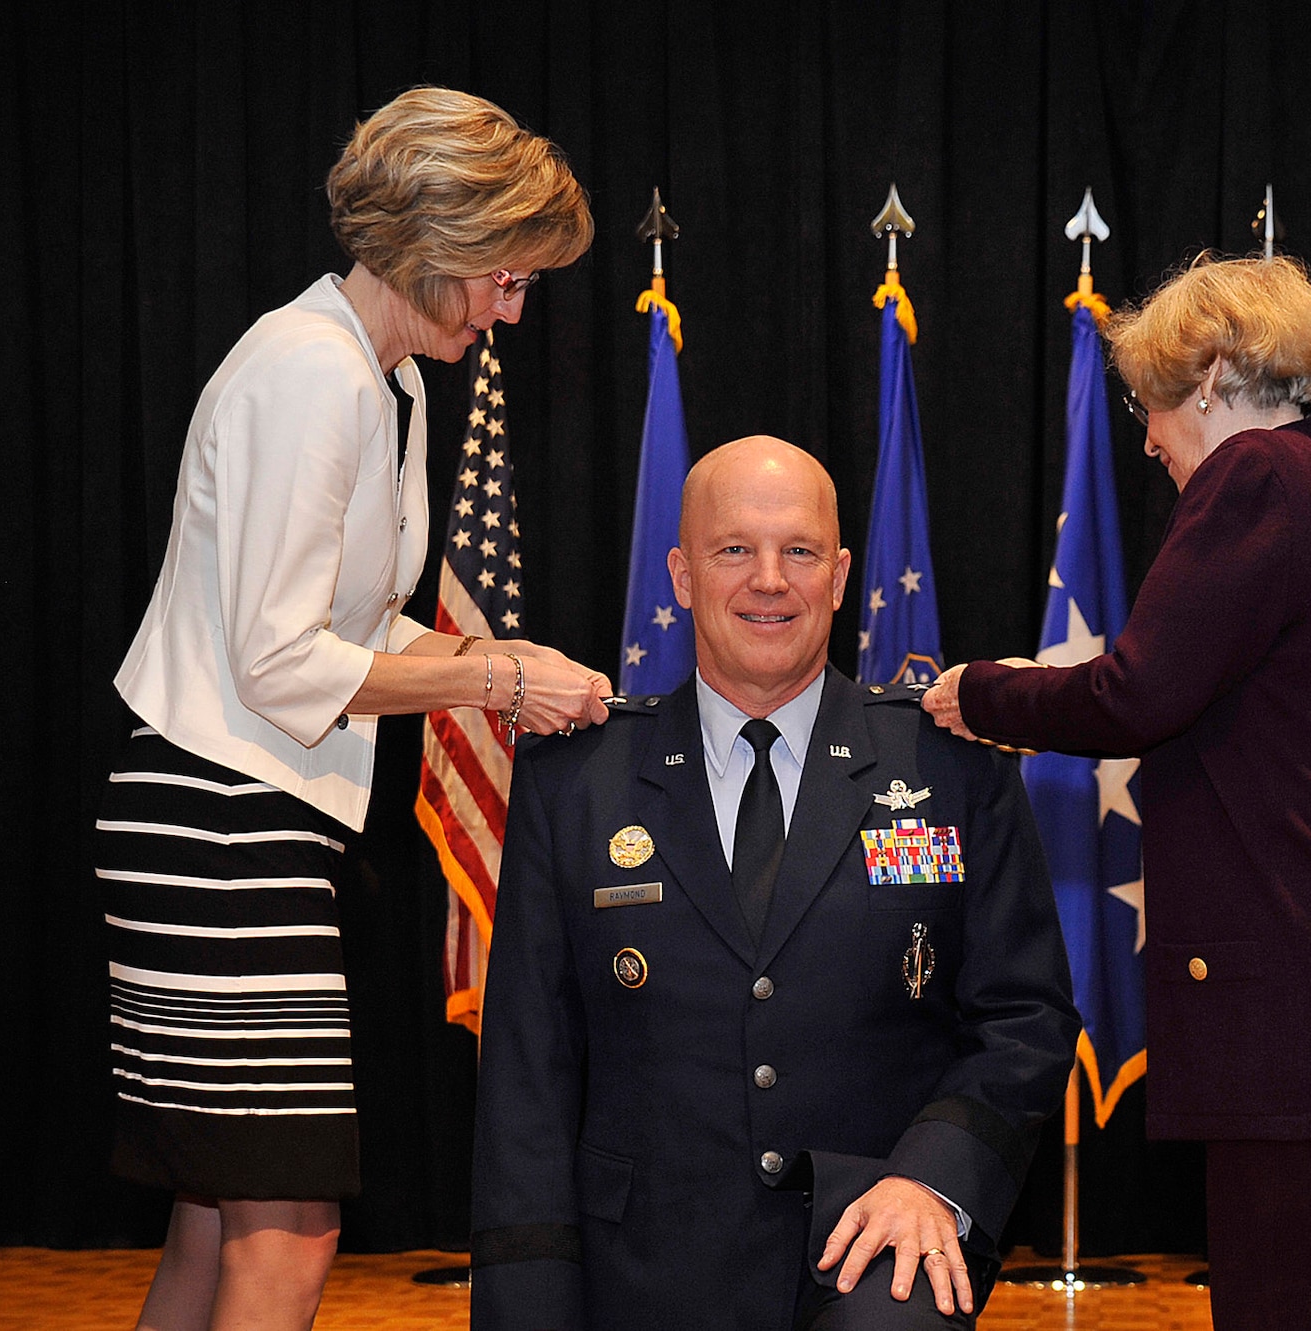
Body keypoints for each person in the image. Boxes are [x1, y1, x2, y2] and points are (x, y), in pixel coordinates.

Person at [97, 87, 609, 1331]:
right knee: (290, 1225)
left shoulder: (391, 385)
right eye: (502, 275)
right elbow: (279, 659)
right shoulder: (309, 371)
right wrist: (494, 677)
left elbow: (363, 623)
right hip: (216, 819)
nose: (512, 305)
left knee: (219, 1219)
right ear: (431, 241)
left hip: (250, 816)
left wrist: (508, 659)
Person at [922, 254, 1311, 1331]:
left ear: (1218, 371)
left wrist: (978, 692)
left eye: (1150, 402)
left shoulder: (1262, 477)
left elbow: (1138, 692)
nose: (1144, 437)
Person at [469, 437, 1079, 1329]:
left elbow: (1025, 1015)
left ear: (838, 578)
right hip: (640, 1261)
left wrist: (934, 1178)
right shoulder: (579, 778)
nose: (768, 579)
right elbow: (529, 1062)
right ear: (680, 575)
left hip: (876, 1238)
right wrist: (526, 1293)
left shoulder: (947, 762)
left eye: (798, 551)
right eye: (733, 550)